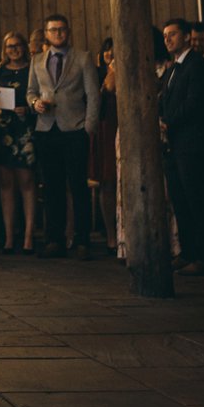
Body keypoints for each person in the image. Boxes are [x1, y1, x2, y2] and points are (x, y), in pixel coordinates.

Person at [30, 15, 99, 258]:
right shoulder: (37, 61)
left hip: (74, 128)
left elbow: (93, 94)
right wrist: (35, 103)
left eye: (61, 29)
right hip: (47, 129)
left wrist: (88, 127)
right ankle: (54, 239)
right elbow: (31, 91)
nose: (57, 33)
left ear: (68, 32)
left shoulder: (83, 58)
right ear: (46, 34)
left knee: (78, 186)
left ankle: (82, 240)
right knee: (51, 187)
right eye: (52, 30)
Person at [159, 17, 204, 275]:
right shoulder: (173, 69)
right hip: (173, 144)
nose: (168, 39)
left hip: (193, 143)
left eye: (173, 34)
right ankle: (188, 251)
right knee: (180, 200)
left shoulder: (198, 65)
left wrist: (167, 121)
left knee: (197, 199)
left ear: (186, 37)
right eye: (165, 36)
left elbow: (194, 103)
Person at [0, 31, 39, 255]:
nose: (13, 50)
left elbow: (38, 93)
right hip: (4, 127)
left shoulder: (33, 68)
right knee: (6, 182)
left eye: (17, 46)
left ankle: (28, 235)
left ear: (24, 47)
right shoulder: (0, 70)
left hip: (24, 126)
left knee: (26, 180)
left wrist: (27, 109)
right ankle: (9, 236)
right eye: (9, 47)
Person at [89, 38, 118, 251]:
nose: (110, 52)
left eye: (113, 49)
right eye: (106, 49)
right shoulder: (98, 73)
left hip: (123, 125)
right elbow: (107, 88)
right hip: (106, 127)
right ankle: (111, 235)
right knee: (108, 181)